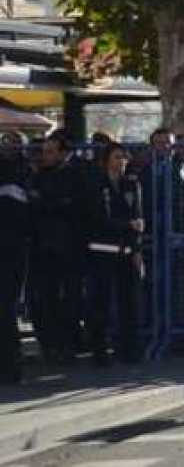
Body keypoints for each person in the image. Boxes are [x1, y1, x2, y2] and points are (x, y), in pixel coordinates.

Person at [83, 142, 144, 365]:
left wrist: (136, 248)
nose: (121, 162)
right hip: (102, 251)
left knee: (128, 302)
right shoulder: (96, 184)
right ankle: (100, 350)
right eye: (117, 157)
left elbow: (138, 218)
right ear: (107, 159)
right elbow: (97, 219)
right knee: (101, 303)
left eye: (124, 158)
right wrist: (127, 225)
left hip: (126, 251)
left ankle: (129, 349)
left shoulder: (131, 184)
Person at [28, 132, 85, 363]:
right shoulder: (40, 176)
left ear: (63, 152)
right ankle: (51, 344)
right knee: (45, 298)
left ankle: (69, 343)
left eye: (51, 151)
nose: (46, 156)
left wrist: (45, 203)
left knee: (69, 298)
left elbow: (70, 205)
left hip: (68, 247)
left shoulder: (75, 175)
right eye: (44, 151)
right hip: (43, 248)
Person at [1, 134, 30, 383]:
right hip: (13, 248)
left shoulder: (21, 176)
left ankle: (11, 367)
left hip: (11, 250)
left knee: (6, 310)